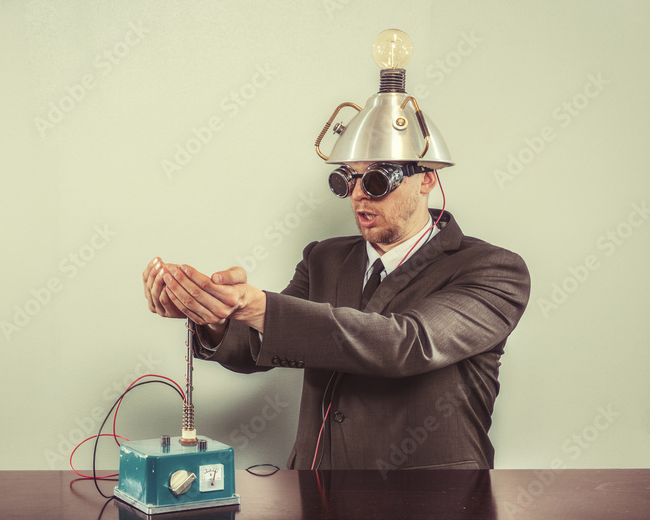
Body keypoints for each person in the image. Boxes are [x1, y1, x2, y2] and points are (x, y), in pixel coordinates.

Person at [142, 161, 530, 472]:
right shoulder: (324, 258)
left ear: (427, 178)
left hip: (433, 504)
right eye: (348, 180)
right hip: (318, 493)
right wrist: (214, 316)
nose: (359, 194)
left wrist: (259, 306)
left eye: (377, 179)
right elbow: (263, 343)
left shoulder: (492, 269)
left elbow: (407, 344)